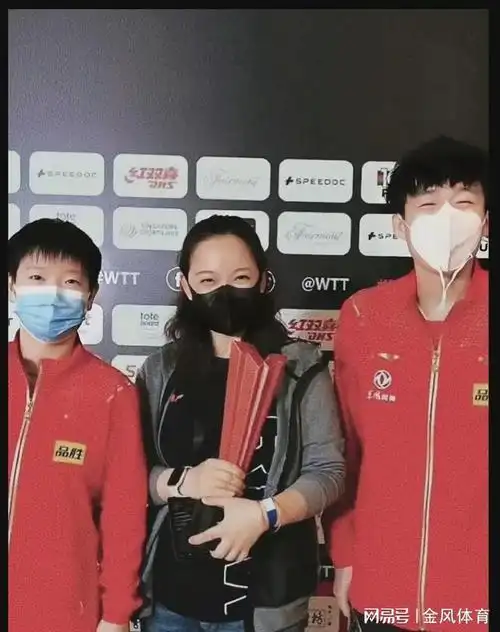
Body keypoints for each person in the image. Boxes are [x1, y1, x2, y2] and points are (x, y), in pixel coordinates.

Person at [136, 215, 346, 632]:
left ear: (263, 281)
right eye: (208, 280)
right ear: (186, 286)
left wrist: (266, 514)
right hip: (171, 601)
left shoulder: (300, 367)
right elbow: (130, 474)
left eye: (241, 277)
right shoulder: (160, 370)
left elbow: (329, 472)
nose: (225, 292)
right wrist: (183, 481)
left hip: (266, 599)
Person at [326, 136, 488, 631]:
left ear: (486, 221)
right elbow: (346, 450)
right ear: (401, 225)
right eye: (429, 204)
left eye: (464, 203)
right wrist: (346, 553)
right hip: (382, 589)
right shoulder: (363, 316)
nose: (447, 219)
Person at [8, 219, 148, 632]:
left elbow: (124, 514)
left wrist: (116, 614)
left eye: (70, 281)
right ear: (12, 285)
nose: (53, 295)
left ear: (91, 296)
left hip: (66, 611)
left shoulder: (112, 393)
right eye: (37, 278)